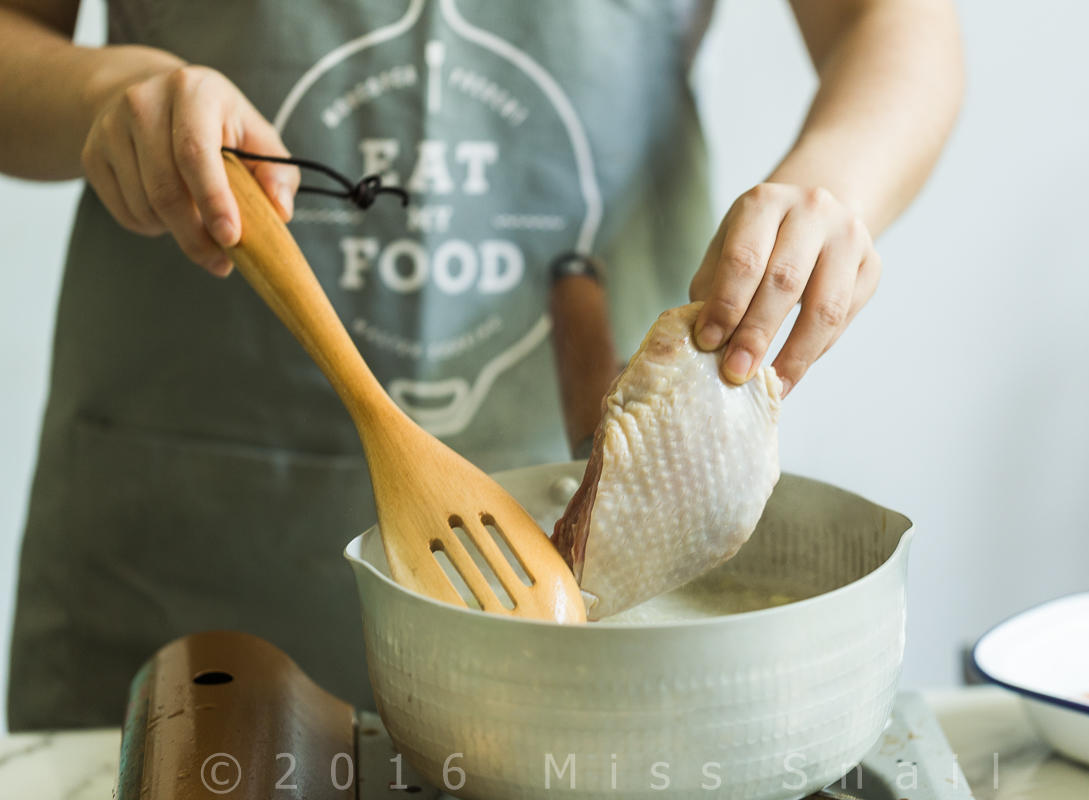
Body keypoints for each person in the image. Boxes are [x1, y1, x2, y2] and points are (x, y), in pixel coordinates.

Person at [0, 0, 963, 729]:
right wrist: (102, 94)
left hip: (590, 498)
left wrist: (832, 186)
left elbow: (895, 27)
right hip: (187, 536)